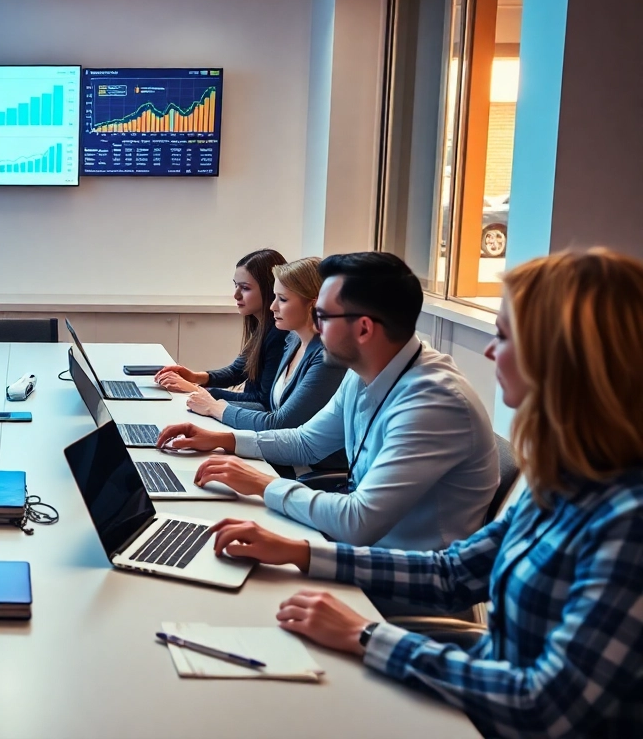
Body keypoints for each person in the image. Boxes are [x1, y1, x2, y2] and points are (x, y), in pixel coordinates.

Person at [207, 249, 643, 738]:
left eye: (505, 336)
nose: (491, 352)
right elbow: (457, 570)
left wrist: (367, 636)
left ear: (565, 355)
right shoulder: (564, 474)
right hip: (472, 680)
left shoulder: (628, 518)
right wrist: (300, 553)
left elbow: (544, 706)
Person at [156, 252, 499, 559]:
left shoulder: (433, 404)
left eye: (321, 315)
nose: (314, 327)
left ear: (363, 329)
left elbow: (358, 521)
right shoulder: (365, 369)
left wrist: (262, 484)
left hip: (400, 580)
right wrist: (223, 440)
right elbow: (307, 441)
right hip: (360, 549)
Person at [185, 257, 347, 471]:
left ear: (314, 303)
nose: (272, 307)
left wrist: (215, 407)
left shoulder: (328, 357)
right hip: (277, 456)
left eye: (282, 299)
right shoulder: (293, 339)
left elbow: (281, 423)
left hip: (306, 470)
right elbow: (270, 409)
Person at [154, 249, 289, 410]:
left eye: (245, 288)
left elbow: (262, 401)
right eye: (236, 286)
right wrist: (196, 377)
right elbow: (236, 371)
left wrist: (198, 390)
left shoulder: (279, 334)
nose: (236, 295)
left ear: (269, 289)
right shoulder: (262, 326)